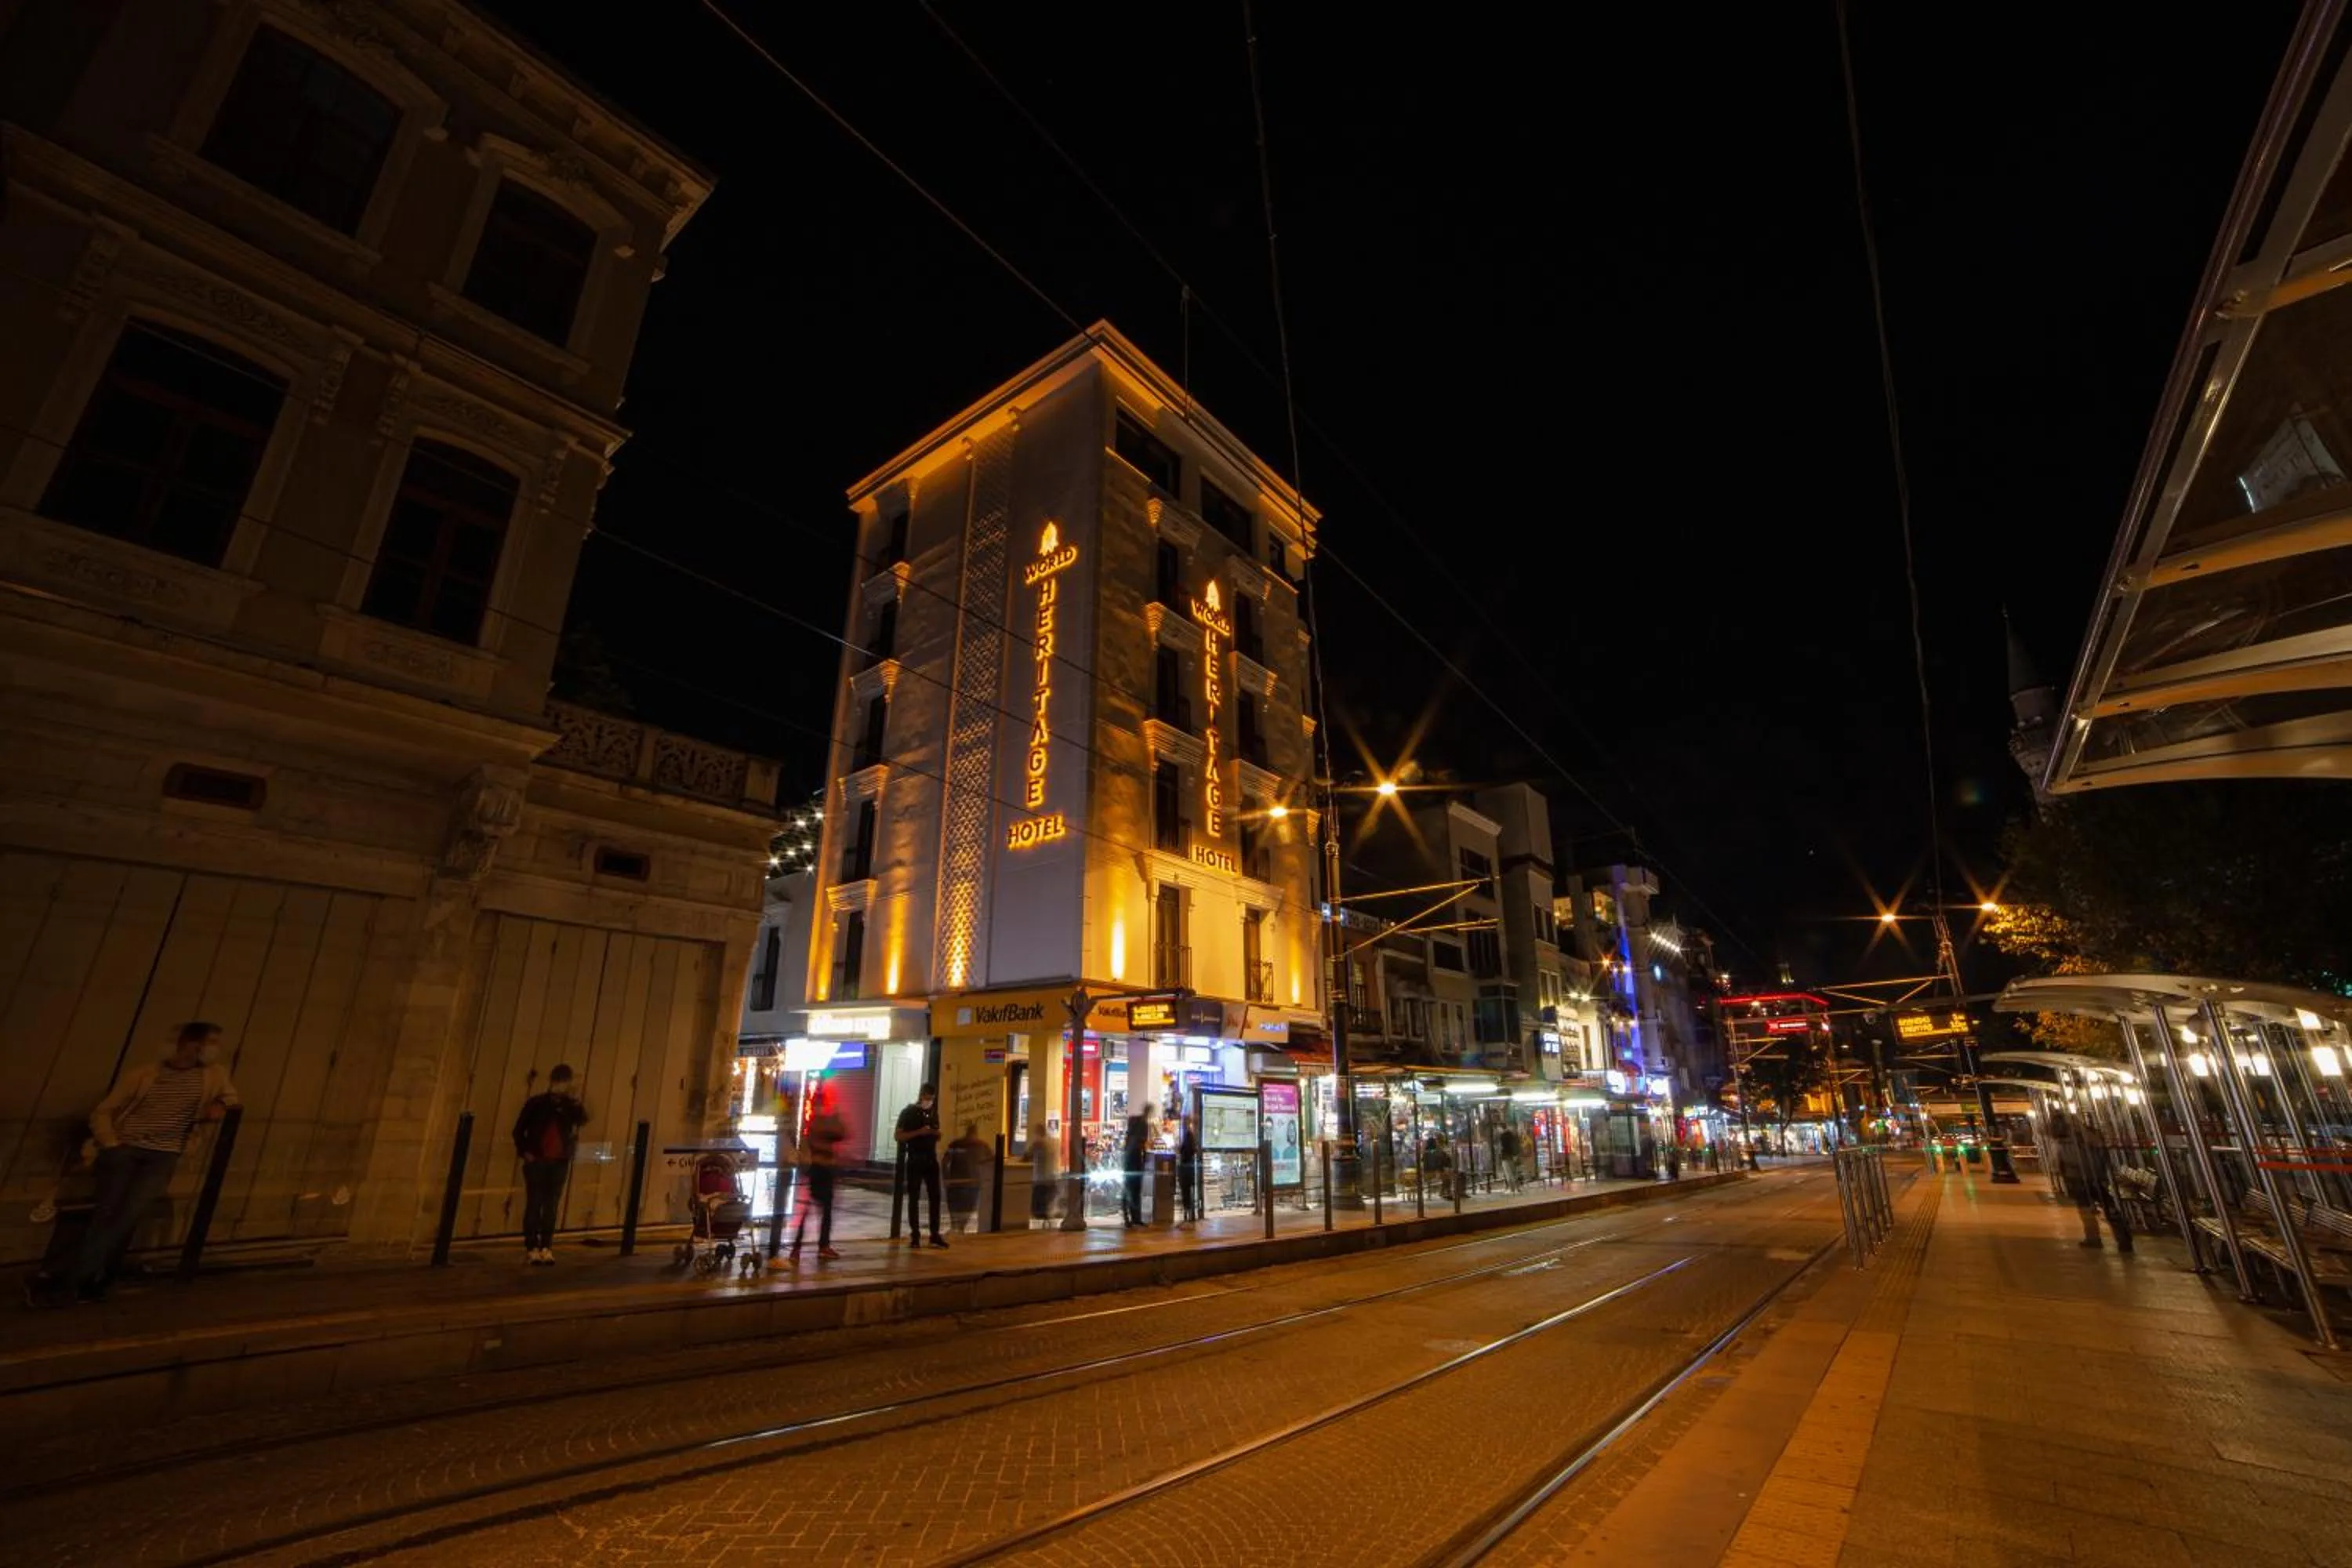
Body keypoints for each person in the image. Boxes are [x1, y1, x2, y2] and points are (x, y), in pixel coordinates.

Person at [42, 1022, 240, 1305]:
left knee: (126, 1216)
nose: (215, 1050)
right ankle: (88, 1280)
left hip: (163, 1155)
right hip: (125, 1150)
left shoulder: (214, 1076)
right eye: (211, 1042)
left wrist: (219, 1107)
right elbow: (103, 1111)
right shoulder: (146, 1074)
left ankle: (81, 1279)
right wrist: (111, 1144)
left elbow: (231, 1099)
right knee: (110, 1215)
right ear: (191, 1043)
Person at [512, 1064, 589, 1265]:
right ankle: (532, 1246)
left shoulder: (569, 1106)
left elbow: (582, 1120)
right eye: (561, 1082)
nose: (562, 1087)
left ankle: (546, 1246)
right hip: (537, 1160)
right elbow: (519, 1130)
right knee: (535, 1203)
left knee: (551, 1206)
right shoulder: (537, 1103)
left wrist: (573, 1101)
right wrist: (526, 1152)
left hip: (559, 1161)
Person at [2048, 1107, 2132, 1252]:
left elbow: (2057, 1162)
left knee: (2095, 1209)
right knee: (2096, 1208)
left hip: (2086, 1177)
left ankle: (2105, 1238)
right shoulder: (2069, 1138)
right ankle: (2106, 1237)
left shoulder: (2073, 1138)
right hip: (2087, 1177)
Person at [780, 1086, 846, 1263]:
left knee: (813, 1210)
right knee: (821, 1211)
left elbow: (839, 1134)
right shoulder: (819, 1122)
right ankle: (817, 1246)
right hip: (821, 1169)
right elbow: (839, 1134)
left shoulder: (816, 1122)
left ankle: (799, 1247)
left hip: (818, 1169)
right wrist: (835, 1119)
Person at [896, 1083, 947, 1247]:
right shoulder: (909, 1112)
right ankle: (915, 1235)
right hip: (915, 1158)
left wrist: (935, 1134)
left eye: (932, 1098)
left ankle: (934, 1233)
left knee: (935, 1197)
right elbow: (899, 1136)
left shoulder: (933, 1113)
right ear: (921, 1095)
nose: (929, 1101)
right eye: (927, 1097)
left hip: (931, 1159)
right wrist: (919, 1132)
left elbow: (936, 1132)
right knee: (914, 1197)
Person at [946, 1122, 989, 1233]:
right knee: (968, 1208)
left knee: (956, 1209)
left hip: (955, 1182)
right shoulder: (982, 1145)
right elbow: (991, 1160)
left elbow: (945, 1162)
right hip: (972, 1183)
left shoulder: (956, 1144)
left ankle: (957, 1228)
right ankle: (960, 1228)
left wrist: (946, 1178)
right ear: (976, 1133)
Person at [1121, 1110, 1151, 1226]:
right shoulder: (1135, 1143)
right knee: (1132, 1192)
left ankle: (1132, 1217)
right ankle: (1131, 1217)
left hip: (1134, 1166)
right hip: (1133, 1167)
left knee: (1133, 1192)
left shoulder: (1132, 1141)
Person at [1178, 1112, 1202, 1223]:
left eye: (1184, 1121)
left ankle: (1189, 1214)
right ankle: (1188, 1214)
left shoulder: (1188, 1134)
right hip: (1187, 1167)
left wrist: (1179, 1150)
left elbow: (1190, 1150)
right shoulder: (1187, 1134)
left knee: (1187, 1191)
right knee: (1187, 1191)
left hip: (1187, 1167)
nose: (1183, 1123)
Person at [1497, 1124, 1523, 1192]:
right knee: (1514, 1172)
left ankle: (1512, 1189)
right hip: (1512, 1156)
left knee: (1508, 1173)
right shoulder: (1511, 1135)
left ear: (1501, 1128)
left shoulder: (1503, 1136)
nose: (1498, 1130)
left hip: (1505, 1156)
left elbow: (1502, 1147)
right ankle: (1518, 1187)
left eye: (1498, 1128)